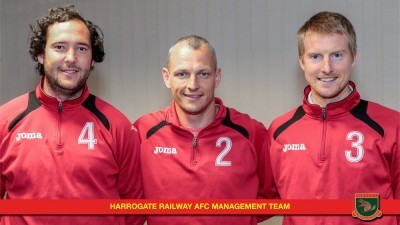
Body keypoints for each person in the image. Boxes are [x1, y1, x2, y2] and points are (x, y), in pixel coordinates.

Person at [0, 5, 144, 225]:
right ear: (40, 54)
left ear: (93, 59)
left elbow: (134, 210)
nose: (71, 58)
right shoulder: (6, 120)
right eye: (59, 47)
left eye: (82, 49)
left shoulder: (117, 125)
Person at [268, 11, 399, 225]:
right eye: (315, 56)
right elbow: (262, 201)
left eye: (337, 55)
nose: (327, 68)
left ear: (354, 57)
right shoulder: (279, 129)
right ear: (301, 61)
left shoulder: (392, 125)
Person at [133, 35, 277, 225]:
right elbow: (129, 197)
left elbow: (270, 195)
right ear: (167, 78)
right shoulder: (144, 131)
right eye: (182, 74)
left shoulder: (251, 132)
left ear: (217, 77)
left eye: (203, 74)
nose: (193, 85)